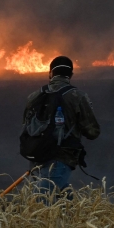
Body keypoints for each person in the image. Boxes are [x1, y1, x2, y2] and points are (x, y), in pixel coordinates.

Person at [21, 55, 100, 196]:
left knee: (53, 201)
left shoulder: (34, 96)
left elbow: (26, 126)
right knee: (44, 205)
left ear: (50, 73)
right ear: (71, 75)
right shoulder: (77, 96)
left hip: (36, 157)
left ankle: (72, 216)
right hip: (61, 158)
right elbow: (93, 132)